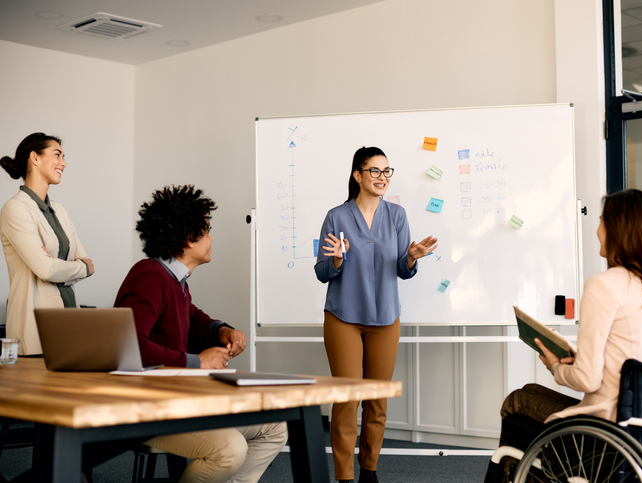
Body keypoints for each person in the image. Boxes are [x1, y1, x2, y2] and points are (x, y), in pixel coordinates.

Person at [484, 189, 642, 482]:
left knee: (517, 401)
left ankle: (529, 471)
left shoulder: (604, 285)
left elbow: (587, 380)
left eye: (602, 222)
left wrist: (555, 366)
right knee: (529, 393)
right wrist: (576, 357)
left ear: (618, 229)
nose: (597, 230)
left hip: (606, 430)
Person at [114, 184, 286, 483]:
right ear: (187, 237)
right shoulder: (151, 276)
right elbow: (129, 347)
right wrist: (198, 362)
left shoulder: (175, 280)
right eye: (206, 231)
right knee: (230, 449)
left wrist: (221, 330)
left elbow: (191, 317)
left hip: (179, 402)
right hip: (150, 408)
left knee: (275, 426)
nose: (211, 238)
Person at [314, 146, 438, 483]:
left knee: (377, 400)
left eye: (387, 171)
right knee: (347, 399)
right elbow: (322, 271)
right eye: (375, 171)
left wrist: (411, 256)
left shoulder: (397, 216)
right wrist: (337, 259)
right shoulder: (336, 217)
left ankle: (369, 470)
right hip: (343, 318)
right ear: (357, 175)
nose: (382, 178)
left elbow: (402, 269)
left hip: (385, 319)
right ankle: (344, 476)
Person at [0, 133, 94, 356]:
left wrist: (62, 265)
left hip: (70, 318)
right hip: (34, 324)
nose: (64, 163)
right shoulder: (15, 209)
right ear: (35, 157)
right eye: (57, 154)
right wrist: (77, 266)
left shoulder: (61, 210)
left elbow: (86, 263)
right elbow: (46, 269)